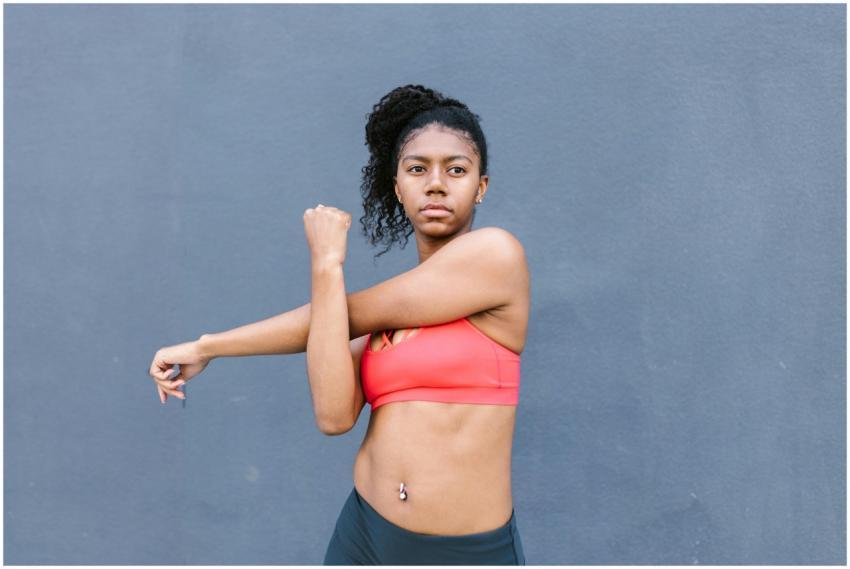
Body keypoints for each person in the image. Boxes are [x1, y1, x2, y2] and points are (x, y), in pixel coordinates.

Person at [148, 84, 529, 565]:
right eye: (417, 169)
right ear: (397, 187)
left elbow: (344, 314)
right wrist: (324, 266)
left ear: (481, 186)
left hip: (458, 551)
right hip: (364, 535)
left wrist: (212, 345)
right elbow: (333, 416)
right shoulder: (386, 322)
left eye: (456, 169)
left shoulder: (497, 255)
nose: (436, 183)